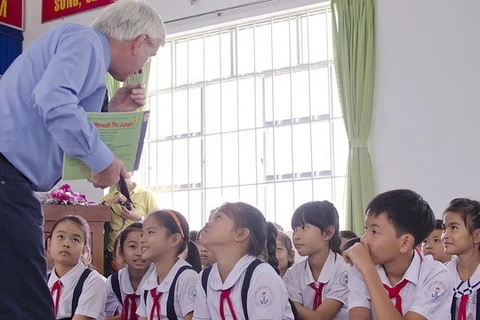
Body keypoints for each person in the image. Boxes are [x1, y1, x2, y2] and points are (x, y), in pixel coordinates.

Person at [0, 0, 165, 317]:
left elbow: (55, 113)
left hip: (10, 179)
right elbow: (54, 100)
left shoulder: (80, 47)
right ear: (139, 41)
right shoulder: (87, 42)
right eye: (149, 55)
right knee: (27, 303)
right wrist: (104, 160)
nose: (142, 68)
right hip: (8, 180)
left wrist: (111, 112)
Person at [344, 189, 452, 320]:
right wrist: (365, 269)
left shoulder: (436, 275)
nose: (363, 239)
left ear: (405, 243)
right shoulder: (359, 268)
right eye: (366, 229)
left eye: (375, 231)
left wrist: (369, 271)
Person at [193, 202, 295, 319]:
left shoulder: (262, 276)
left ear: (241, 234)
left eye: (219, 217)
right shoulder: (205, 277)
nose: (208, 223)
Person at [283, 201, 349, 320]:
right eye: (295, 229)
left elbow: (321, 317)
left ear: (327, 233)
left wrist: (283, 299)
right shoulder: (293, 273)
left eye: (304, 227)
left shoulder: (345, 269)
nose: (296, 236)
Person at [137, 210, 201, 320]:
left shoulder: (187, 278)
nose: (142, 239)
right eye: (143, 234)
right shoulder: (149, 282)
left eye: (151, 232)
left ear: (174, 239)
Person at [47, 215, 107, 319]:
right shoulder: (42, 281)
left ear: (84, 250)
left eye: (75, 239)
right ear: (49, 244)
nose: (66, 244)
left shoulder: (93, 281)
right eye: (61, 236)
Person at [101, 176, 159, 275]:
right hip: (115, 255)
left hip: (142, 251)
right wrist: (112, 201)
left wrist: (138, 218)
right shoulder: (109, 197)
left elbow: (159, 224)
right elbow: (95, 214)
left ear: (131, 172)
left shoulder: (146, 195)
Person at [105, 222, 154, 320]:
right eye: (132, 246)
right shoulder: (114, 281)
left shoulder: (162, 279)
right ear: (121, 252)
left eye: (145, 247)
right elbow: (103, 315)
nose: (139, 253)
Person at [442, 198, 480, 320]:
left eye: (453, 228)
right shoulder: (439, 275)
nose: (445, 235)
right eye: (444, 228)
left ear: (477, 236)